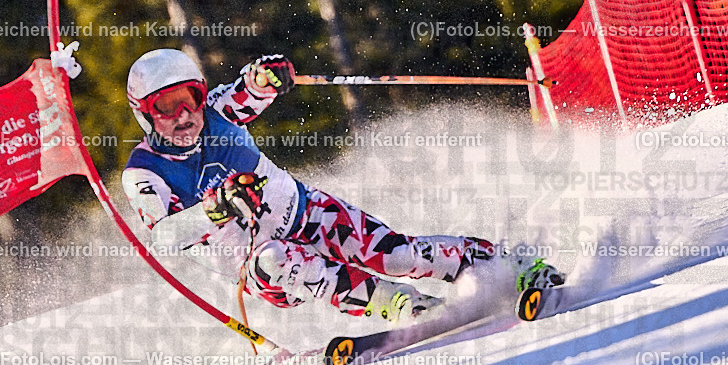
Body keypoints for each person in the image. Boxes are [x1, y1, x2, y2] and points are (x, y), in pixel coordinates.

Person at [120, 48, 564, 323]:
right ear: (144, 113)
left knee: (396, 254)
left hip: (306, 212)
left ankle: (508, 266)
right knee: (277, 258)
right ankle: (404, 306)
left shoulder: (218, 113)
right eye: (166, 107)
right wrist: (214, 209)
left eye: (190, 99)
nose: (184, 115)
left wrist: (266, 76)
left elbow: (248, 90)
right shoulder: (143, 173)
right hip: (260, 267)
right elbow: (164, 237)